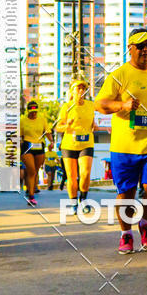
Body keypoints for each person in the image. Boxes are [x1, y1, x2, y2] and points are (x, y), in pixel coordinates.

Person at [95, 29, 147, 254]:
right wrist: (123, 106)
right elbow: (100, 104)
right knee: (126, 194)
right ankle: (125, 233)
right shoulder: (119, 75)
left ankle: (145, 222)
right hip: (124, 145)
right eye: (141, 46)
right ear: (130, 48)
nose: (146, 50)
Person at [55, 80, 96, 218]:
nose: (81, 91)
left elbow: (92, 124)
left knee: (85, 173)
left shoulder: (91, 105)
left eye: (83, 88)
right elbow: (58, 127)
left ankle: (83, 200)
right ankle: (73, 203)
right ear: (72, 91)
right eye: (78, 88)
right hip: (69, 145)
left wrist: (97, 127)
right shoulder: (66, 106)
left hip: (86, 143)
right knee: (72, 176)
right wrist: (67, 126)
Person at [20, 99, 51, 207]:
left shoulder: (42, 120)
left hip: (39, 147)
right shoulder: (22, 120)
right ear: (28, 111)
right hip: (27, 146)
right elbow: (19, 135)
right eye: (32, 112)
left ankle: (30, 189)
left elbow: (47, 132)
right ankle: (31, 197)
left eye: (35, 112)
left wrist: (51, 142)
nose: (34, 114)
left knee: (35, 171)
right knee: (31, 170)